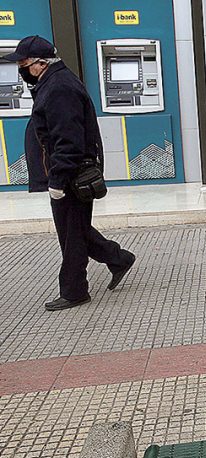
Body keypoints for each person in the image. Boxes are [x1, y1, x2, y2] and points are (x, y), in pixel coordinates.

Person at [4, 36, 136, 311]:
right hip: (68, 173)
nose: (21, 70)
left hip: (71, 175)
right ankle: (118, 259)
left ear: (41, 63)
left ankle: (75, 291)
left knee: (71, 235)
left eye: (23, 64)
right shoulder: (52, 83)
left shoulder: (59, 88)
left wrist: (58, 180)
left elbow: (68, 140)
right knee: (75, 228)